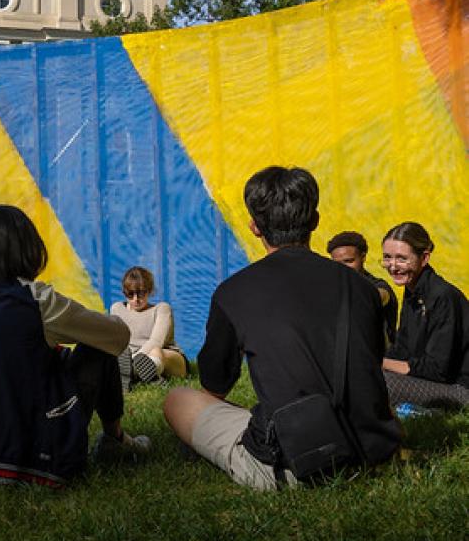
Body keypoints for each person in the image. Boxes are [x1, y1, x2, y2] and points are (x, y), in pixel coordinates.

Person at [163, 166, 400, 490]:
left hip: (299, 463)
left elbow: (214, 389)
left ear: (254, 226)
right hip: (373, 450)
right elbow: (371, 369)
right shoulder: (361, 288)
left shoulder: (234, 292)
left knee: (178, 398)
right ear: (315, 221)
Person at [0, 205, 150, 486]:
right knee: (97, 345)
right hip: (33, 460)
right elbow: (117, 336)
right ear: (27, 250)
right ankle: (114, 440)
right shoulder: (34, 299)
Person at [381, 222, 469, 409]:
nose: (393, 266)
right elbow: (401, 349)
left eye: (402, 258)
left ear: (424, 258)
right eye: (387, 257)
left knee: (381, 384)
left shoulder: (442, 297)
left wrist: (380, 363)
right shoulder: (412, 290)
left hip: (459, 389)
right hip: (431, 381)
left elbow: (438, 370)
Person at [110, 266, 188, 389]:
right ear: (124, 292)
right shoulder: (117, 309)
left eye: (140, 293)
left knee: (155, 351)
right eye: (130, 294)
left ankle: (133, 374)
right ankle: (151, 378)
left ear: (150, 291)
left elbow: (156, 341)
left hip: (168, 358)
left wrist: (131, 364)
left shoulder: (161, 309)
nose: (136, 299)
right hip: (128, 358)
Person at [326, 231, 398, 344]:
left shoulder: (379, 286)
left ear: (363, 257)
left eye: (349, 261)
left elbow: (378, 296)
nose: (343, 268)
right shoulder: (334, 288)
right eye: (337, 264)